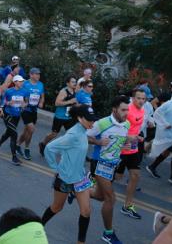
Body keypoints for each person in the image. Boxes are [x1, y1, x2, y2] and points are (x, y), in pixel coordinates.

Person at [41, 105, 99, 244]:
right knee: (57, 207)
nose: (92, 122)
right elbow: (49, 148)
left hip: (80, 178)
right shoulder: (73, 135)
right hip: (65, 179)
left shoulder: (83, 130)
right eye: (89, 120)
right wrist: (56, 168)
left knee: (86, 211)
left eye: (93, 119)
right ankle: (39, 225)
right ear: (79, 118)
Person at [87, 95, 131, 244]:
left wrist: (124, 145)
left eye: (127, 109)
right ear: (114, 110)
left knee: (99, 196)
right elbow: (85, 136)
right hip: (99, 163)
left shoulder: (127, 125)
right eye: (123, 110)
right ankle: (108, 233)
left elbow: (119, 141)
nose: (126, 112)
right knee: (110, 198)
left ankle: (75, 189)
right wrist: (98, 141)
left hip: (112, 165)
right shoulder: (102, 123)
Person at [116, 88, 147, 219]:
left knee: (135, 175)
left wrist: (138, 136)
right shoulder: (126, 110)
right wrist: (128, 137)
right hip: (119, 147)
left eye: (143, 99)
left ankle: (127, 206)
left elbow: (135, 128)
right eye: (139, 98)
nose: (141, 101)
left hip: (132, 147)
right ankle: (84, 184)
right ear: (133, 98)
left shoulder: (143, 110)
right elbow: (117, 127)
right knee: (110, 178)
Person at [39, 75, 78, 157]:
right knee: (54, 134)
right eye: (73, 82)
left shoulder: (75, 91)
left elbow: (75, 103)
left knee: (71, 134)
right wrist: (69, 101)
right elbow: (57, 103)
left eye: (75, 81)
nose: (75, 83)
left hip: (69, 117)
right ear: (68, 83)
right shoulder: (63, 92)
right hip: (60, 117)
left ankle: (67, 151)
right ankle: (43, 144)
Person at [0, 75, 28, 165]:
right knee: (14, 134)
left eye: (22, 81)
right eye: (20, 81)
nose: (22, 83)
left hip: (17, 115)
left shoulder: (24, 91)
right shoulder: (9, 91)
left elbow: (26, 102)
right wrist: (8, 103)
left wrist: (24, 105)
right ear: (15, 82)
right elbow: (2, 102)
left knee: (9, 133)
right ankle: (14, 157)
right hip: (8, 115)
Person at [17, 67, 45, 161]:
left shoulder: (41, 84)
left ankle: (17, 145)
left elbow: (42, 96)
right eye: (36, 74)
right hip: (26, 110)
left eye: (39, 74)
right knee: (31, 129)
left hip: (34, 111)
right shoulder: (25, 83)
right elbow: (19, 93)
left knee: (27, 131)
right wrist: (23, 102)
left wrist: (41, 102)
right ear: (31, 75)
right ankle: (27, 149)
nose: (38, 76)